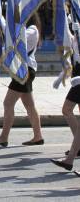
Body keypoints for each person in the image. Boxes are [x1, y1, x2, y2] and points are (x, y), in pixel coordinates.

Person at [0, 13, 44, 147]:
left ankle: (3, 137)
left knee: (8, 103)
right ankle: (38, 136)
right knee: (29, 105)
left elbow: (15, 41)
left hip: (24, 70)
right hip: (23, 69)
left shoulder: (32, 30)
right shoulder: (27, 29)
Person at [51, 20, 80, 171]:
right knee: (66, 109)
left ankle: (69, 160)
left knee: (67, 109)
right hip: (78, 76)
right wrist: (62, 75)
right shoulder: (76, 33)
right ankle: (70, 159)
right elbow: (73, 56)